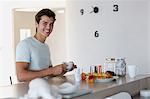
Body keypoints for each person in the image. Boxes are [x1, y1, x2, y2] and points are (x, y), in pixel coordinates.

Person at [16, 8, 75, 82]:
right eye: (45, 23)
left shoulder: (46, 47)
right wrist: (51, 70)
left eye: (51, 24)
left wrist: (64, 69)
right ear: (36, 24)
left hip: (45, 89)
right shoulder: (25, 45)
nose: (48, 27)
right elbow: (21, 76)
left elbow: (50, 74)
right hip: (31, 91)